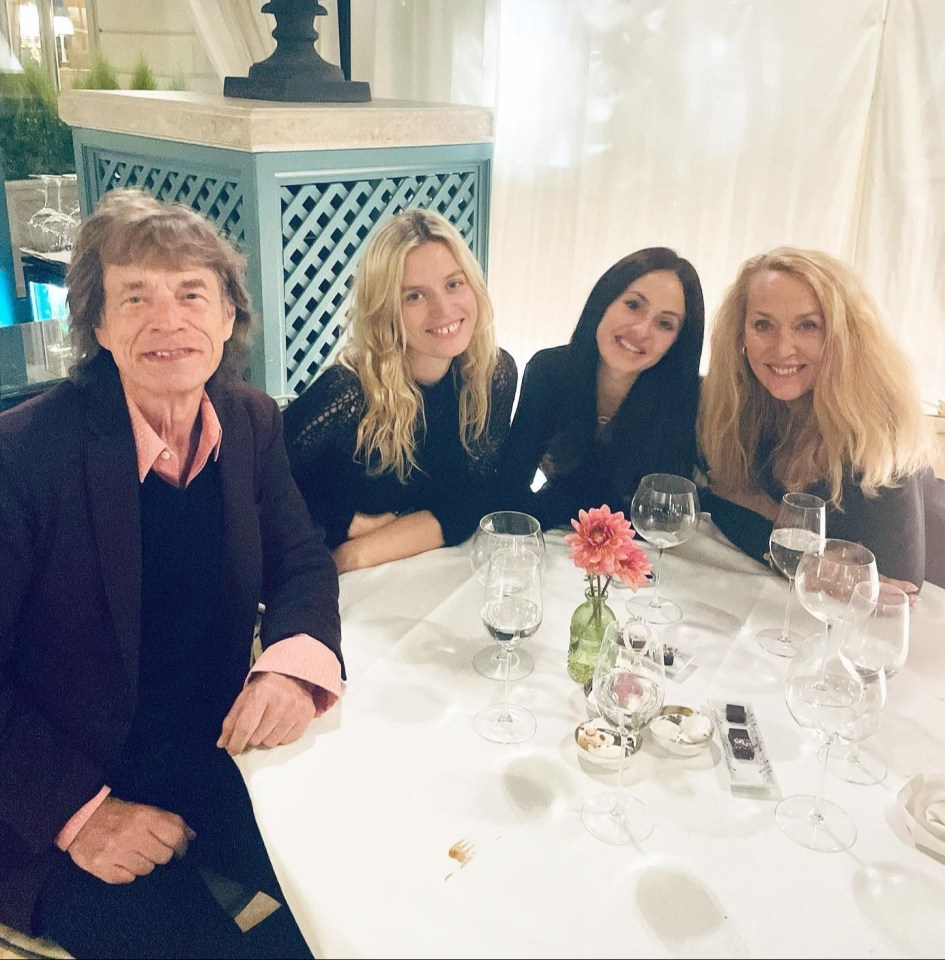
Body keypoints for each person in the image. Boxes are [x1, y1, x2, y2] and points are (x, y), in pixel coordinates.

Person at [0, 189, 344, 959]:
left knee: (352, 890)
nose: (168, 320)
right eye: (136, 297)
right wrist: (80, 814)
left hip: (207, 748)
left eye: (193, 293)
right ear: (98, 325)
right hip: (53, 783)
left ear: (227, 317)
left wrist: (289, 668)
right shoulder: (24, 456)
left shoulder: (251, 419)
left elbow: (300, 559)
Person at [283, 208, 517, 574]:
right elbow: (256, 483)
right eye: (414, 296)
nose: (443, 308)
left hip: (409, 567)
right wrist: (345, 525)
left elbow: (474, 498)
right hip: (334, 587)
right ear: (386, 310)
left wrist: (359, 550)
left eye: (454, 284)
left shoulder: (492, 373)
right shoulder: (347, 394)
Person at [697, 246, 945, 592]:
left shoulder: (876, 420)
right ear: (741, 334)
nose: (783, 348)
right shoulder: (742, 399)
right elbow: (712, 497)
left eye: (808, 326)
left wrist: (763, 512)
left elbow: (894, 584)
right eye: (763, 325)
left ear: (843, 336)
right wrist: (813, 560)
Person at [500, 247, 705, 529]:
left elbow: (663, 520)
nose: (642, 330)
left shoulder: (689, 397)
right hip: (558, 542)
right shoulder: (549, 370)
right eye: (633, 305)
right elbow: (509, 487)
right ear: (604, 301)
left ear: (677, 341)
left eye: (665, 324)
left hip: (639, 558)